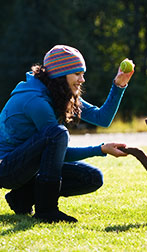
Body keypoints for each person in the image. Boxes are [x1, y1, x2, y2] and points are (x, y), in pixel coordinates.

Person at [0, 45, 134, 223]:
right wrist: (100, 149)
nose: (82, 79)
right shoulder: (36, 101)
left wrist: (119, 84)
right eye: (77, 74)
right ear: (60, 75)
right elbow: (59, 150)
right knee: (57, 134)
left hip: (28, 167)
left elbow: (102, 118)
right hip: (7, 169)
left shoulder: (59, 92)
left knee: (92, 178)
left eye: (82, 73)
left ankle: (22, 197)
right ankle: (46, 210)